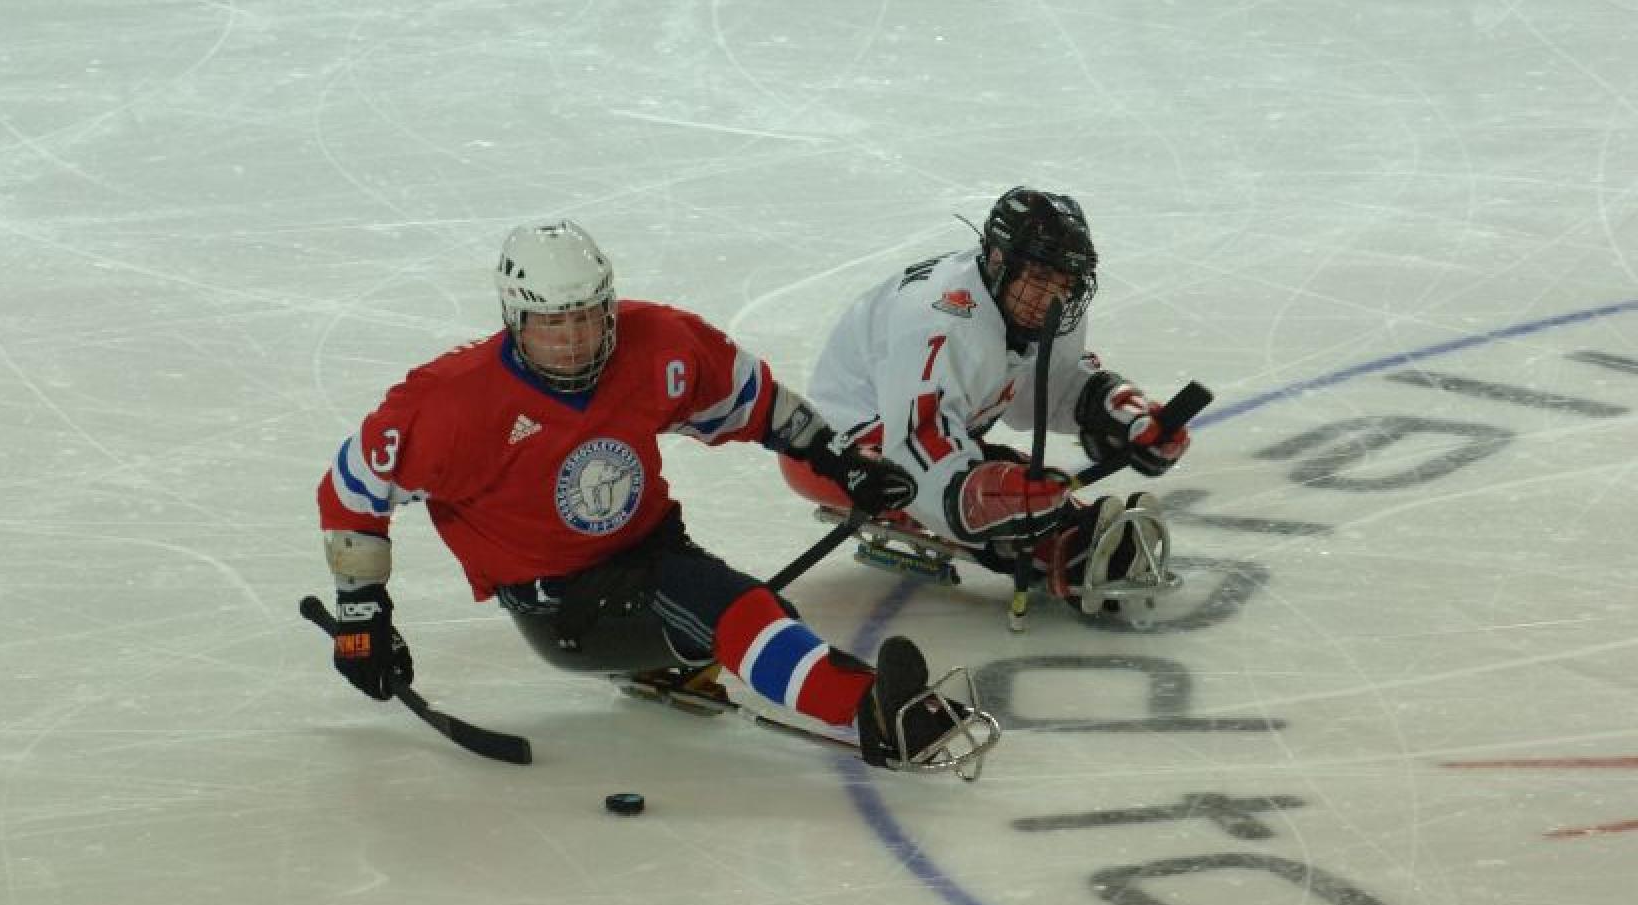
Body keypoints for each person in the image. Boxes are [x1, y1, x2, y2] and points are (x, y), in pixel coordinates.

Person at [315, 219, 976, 770]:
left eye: (586, 316)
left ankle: (815, 683)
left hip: (652, 548)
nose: (574, 340)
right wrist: (360, 617)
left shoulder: (657, 343)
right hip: (560, 601)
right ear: (515, 319)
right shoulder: (452, 406)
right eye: (553, 323)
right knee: (735, 606)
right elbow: (351, 489)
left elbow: (753, 400)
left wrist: (839, 459)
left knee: (730, 604)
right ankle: (875, 714)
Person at [779, 187, 1192, 614]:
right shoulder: (941, 322)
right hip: (836, 453)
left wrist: (1120, 416)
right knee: (1007, 495)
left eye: (1064, 282)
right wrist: (979, 494)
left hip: (928, 428)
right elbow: (914, 444)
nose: (1052, 296)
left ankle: (1069, 537)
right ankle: (1062, 545)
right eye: (1038, 277)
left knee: (1019, 489)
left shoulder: (1042, 305)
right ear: (998, 259)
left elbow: (1048, 384)